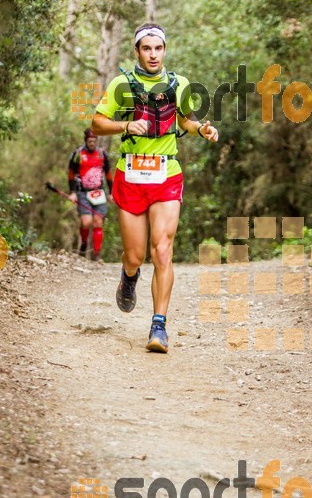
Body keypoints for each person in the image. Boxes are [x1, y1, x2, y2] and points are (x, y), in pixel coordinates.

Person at [92, 23, 218, 353]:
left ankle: (159, 326)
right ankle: (128, 275)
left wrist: (201, 129)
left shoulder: (179, 84)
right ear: (137, 51)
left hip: (166, 175)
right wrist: (125, 124)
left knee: (161, 250)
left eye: (158, 48)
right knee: (135, 255)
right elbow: (97, 123)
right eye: (146, 48)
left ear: (165, 50)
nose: (152, 54)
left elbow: (186, 120)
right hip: (131, 176)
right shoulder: (122, 85)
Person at [68, 128, 113, 261]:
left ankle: (96, 254)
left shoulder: (102, 154)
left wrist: (111, 192)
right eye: (89, 141)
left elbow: (109, 174)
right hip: (83, 192)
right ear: (86, 141)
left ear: (96, 141)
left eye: (94, 141)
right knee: (86, 222)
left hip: (99, 192)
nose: (92, 143)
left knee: (98, 222)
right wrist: (72, 192)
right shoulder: (78, 154)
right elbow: (71, 174)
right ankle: (83, 245)